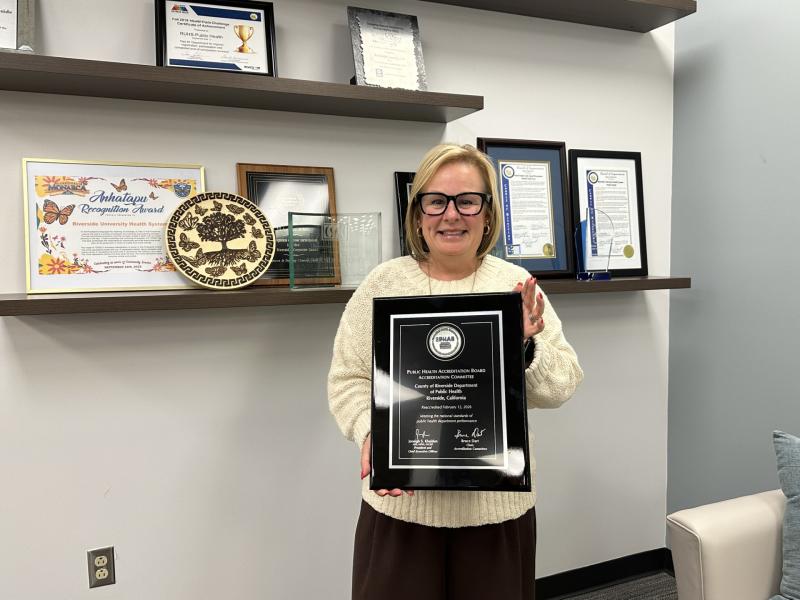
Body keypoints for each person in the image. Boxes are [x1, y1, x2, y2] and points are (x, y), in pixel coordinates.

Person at [328, 143, 583, 600]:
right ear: (418, 213)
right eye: (436, 201)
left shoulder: (516, 285)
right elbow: (348, 380)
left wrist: (522, 345)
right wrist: (375, 433)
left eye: (468, 200)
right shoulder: (382, 285)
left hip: (496, 514)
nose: (451, 215)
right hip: (401, 514)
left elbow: (562, 384)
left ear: (487, 214)